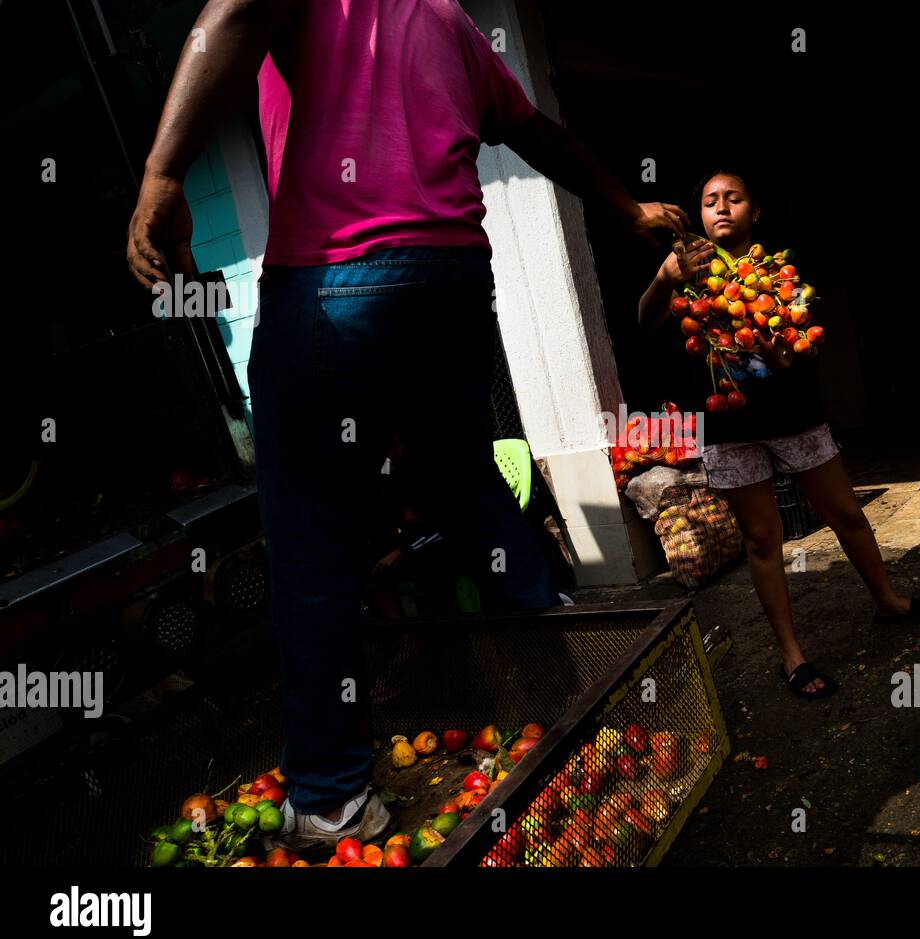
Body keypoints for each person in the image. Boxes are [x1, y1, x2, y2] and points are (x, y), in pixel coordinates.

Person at [126, 0, 688, 851]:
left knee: (312, 547)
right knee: (468, 489)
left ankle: (332, 799)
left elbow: (234, 11)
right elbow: (539, 135)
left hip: (334, 281)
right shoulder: (452, 20)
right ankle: (567, 700)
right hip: (452, 282)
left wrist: (164, 174)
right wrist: (625, 207)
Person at [637, 169, 920, 701]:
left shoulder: (779, 270)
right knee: (763, 539)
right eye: (710, 201)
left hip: (795, 416)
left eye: (733, 198)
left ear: (754, 211)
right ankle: (792, 655)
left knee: (846, 514)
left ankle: (887, 600)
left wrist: (780, 354)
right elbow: (646, 324)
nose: (721, 207)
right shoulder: (685, 268)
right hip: (730, 427)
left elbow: (803, 344)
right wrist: (664, 278)